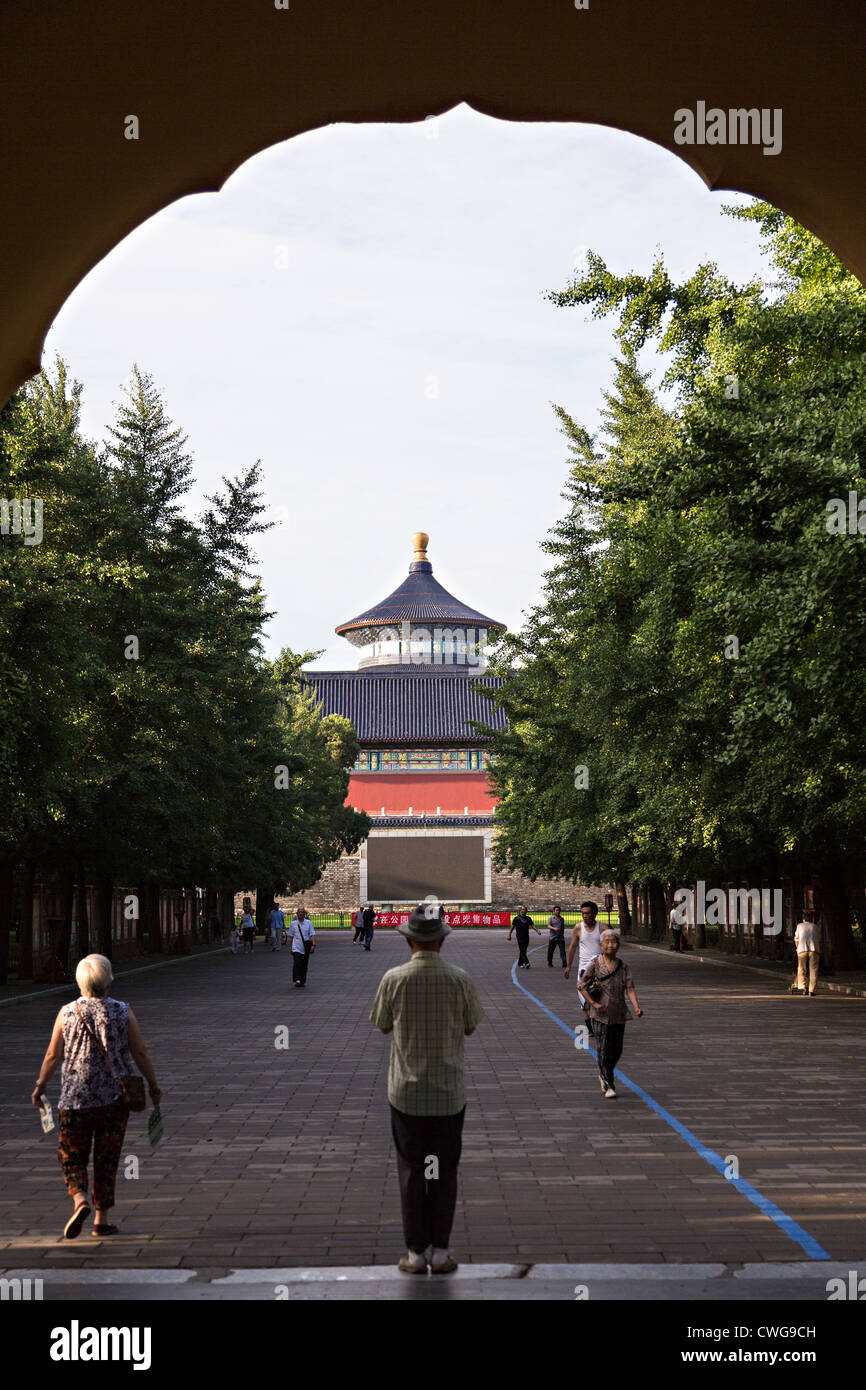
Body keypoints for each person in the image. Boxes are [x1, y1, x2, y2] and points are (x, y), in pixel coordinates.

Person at [370, 904, 483, 1275]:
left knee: (412, 1171)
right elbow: (470, 1027)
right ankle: (441, 1251)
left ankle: (415, 1253)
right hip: (449, 1092)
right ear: (441, 941)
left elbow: (383, 1026)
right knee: (445, 1171)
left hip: (406, 1092)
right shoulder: (460, 978)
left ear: (409, 941)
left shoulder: (393, 978)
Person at [31, 953, 162, 1239]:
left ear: (80, 982)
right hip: (114, 1099)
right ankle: (101, 1219)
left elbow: (54, 1055)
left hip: (74, 1098)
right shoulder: (122, 1011)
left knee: (71, 1154)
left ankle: (79, 1200)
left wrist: (41, 1085)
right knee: (107, 1157)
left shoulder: (66, 1012)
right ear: (108, 980)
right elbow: (140, 1052)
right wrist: (153, 1084)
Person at [579, 931, 642, 1099]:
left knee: (617, 1048)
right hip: (600, 1013)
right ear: (601, 945)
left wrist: (636, 1007)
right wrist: (593, 1004)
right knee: (603, 1047)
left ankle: (606, 1071)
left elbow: (630, 988)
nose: (610, 945)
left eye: (613, 942)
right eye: (606, 942)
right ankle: (608, 1082)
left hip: (619, 1012)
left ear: (618, 945)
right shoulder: (595, 964)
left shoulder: (623, 966)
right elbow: (582, 986)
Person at [565, 901, 603, 1036]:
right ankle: (590, 1029)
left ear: (595, 913)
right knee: (584, 999)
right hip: (583, 969)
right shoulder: (578, 928)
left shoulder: (602, 928)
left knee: (599, 996)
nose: (585, 916)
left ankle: (600, 1024)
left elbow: (611, 947)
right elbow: (572, 948)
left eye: (587, 913)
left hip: (599, 968)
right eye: (583, 913)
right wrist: (568, 966)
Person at [794, 912, 821, 996]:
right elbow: (818, 938)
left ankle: (803, 986)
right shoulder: (815, 927)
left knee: (802, 969)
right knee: (814, 970)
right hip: (814, 950)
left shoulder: (799, 926)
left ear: (803, 919)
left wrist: (797, 948)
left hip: (802, 950)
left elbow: (797, 939)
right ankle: (811, 990)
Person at [289, 907, 316, 987]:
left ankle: (302, 980)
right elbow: (291, 936)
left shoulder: (308, 923)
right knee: (297, 963)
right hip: (296, 947)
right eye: (299, 912)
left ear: (305, 914)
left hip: (305, 947)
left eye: (302, 912)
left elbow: (312, 934)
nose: (301, 914)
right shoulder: (293, 924)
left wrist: (313, 945)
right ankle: (297, 979)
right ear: (297, 914)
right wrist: (291, 948)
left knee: (304, 964)